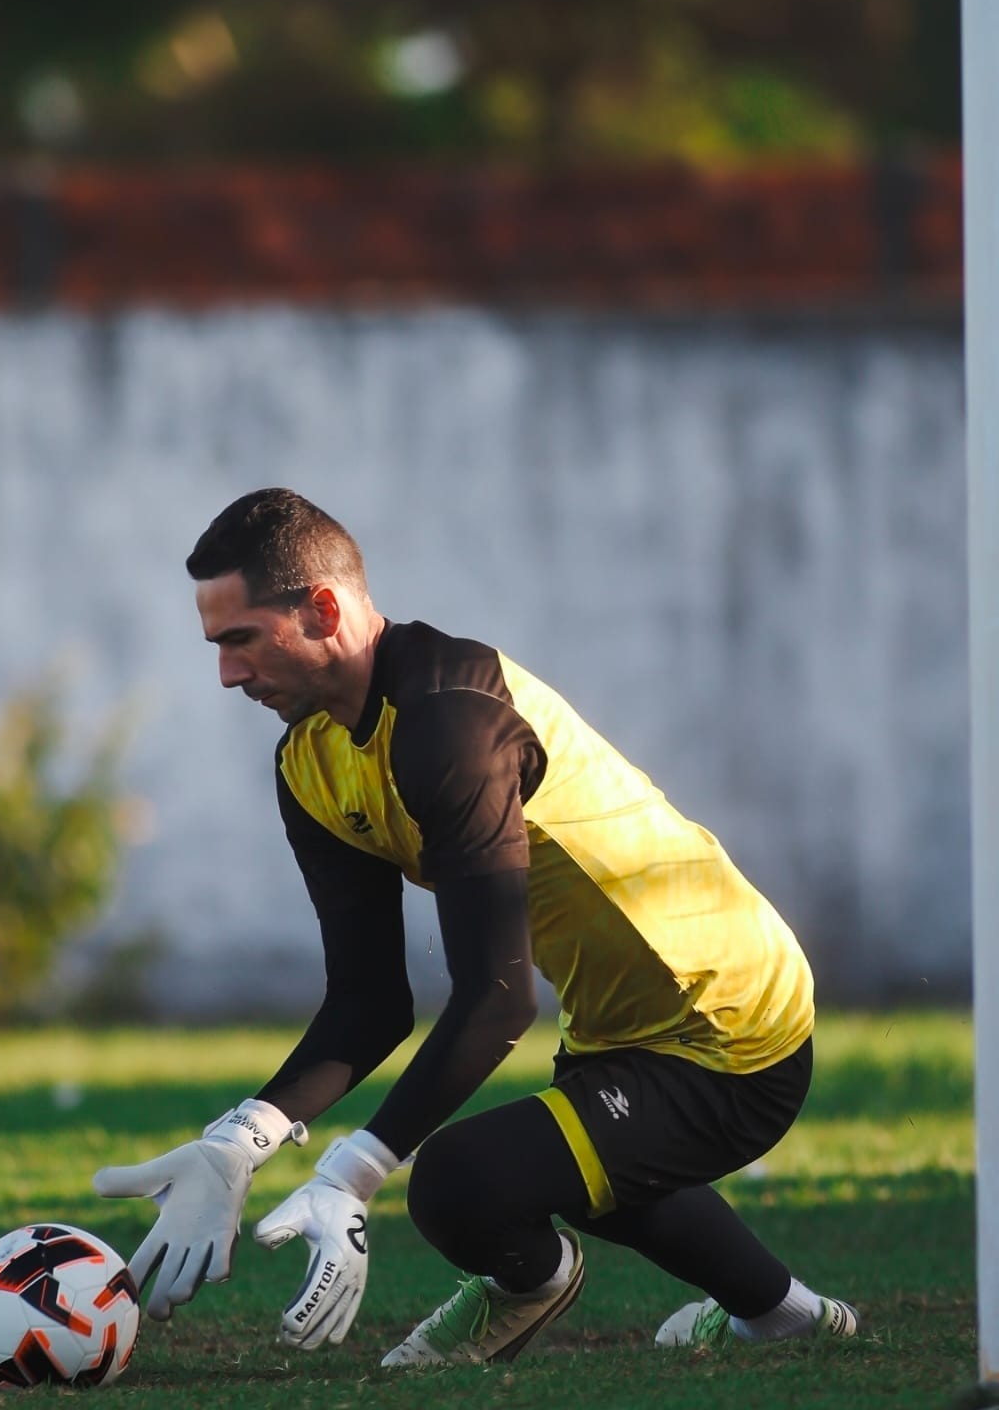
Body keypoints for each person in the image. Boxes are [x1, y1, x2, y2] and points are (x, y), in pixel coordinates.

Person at [94, 487, 859, 1365]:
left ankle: (528, 1283)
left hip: (729, 1023)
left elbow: (496, 999)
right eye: (216, 646)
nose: (228, 674)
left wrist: (351, 1173)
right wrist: (240, 1139)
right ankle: (785, 1317)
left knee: (462, 1182)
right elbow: (370, 999)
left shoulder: (449, 720)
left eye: (241, 639)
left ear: (324, 609)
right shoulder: (308, 758)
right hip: (621, 1023)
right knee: (588, 1168)